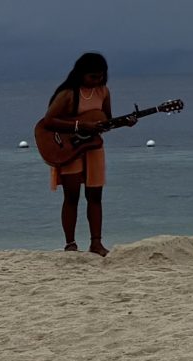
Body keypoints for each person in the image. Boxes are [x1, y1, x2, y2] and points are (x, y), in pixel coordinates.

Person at [38, 51, 129, 254]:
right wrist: (80, 126)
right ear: (81, 74)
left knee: (95, 196)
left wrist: (126, 123)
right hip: (69, 147)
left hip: (93, 148)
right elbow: (49, 121)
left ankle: (96, 242)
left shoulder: (103, 92)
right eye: (93, 76)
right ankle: (70, 244)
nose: (98, 80)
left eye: (101, 76)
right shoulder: (69, 94)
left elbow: (106, 121)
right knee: (71, 196)